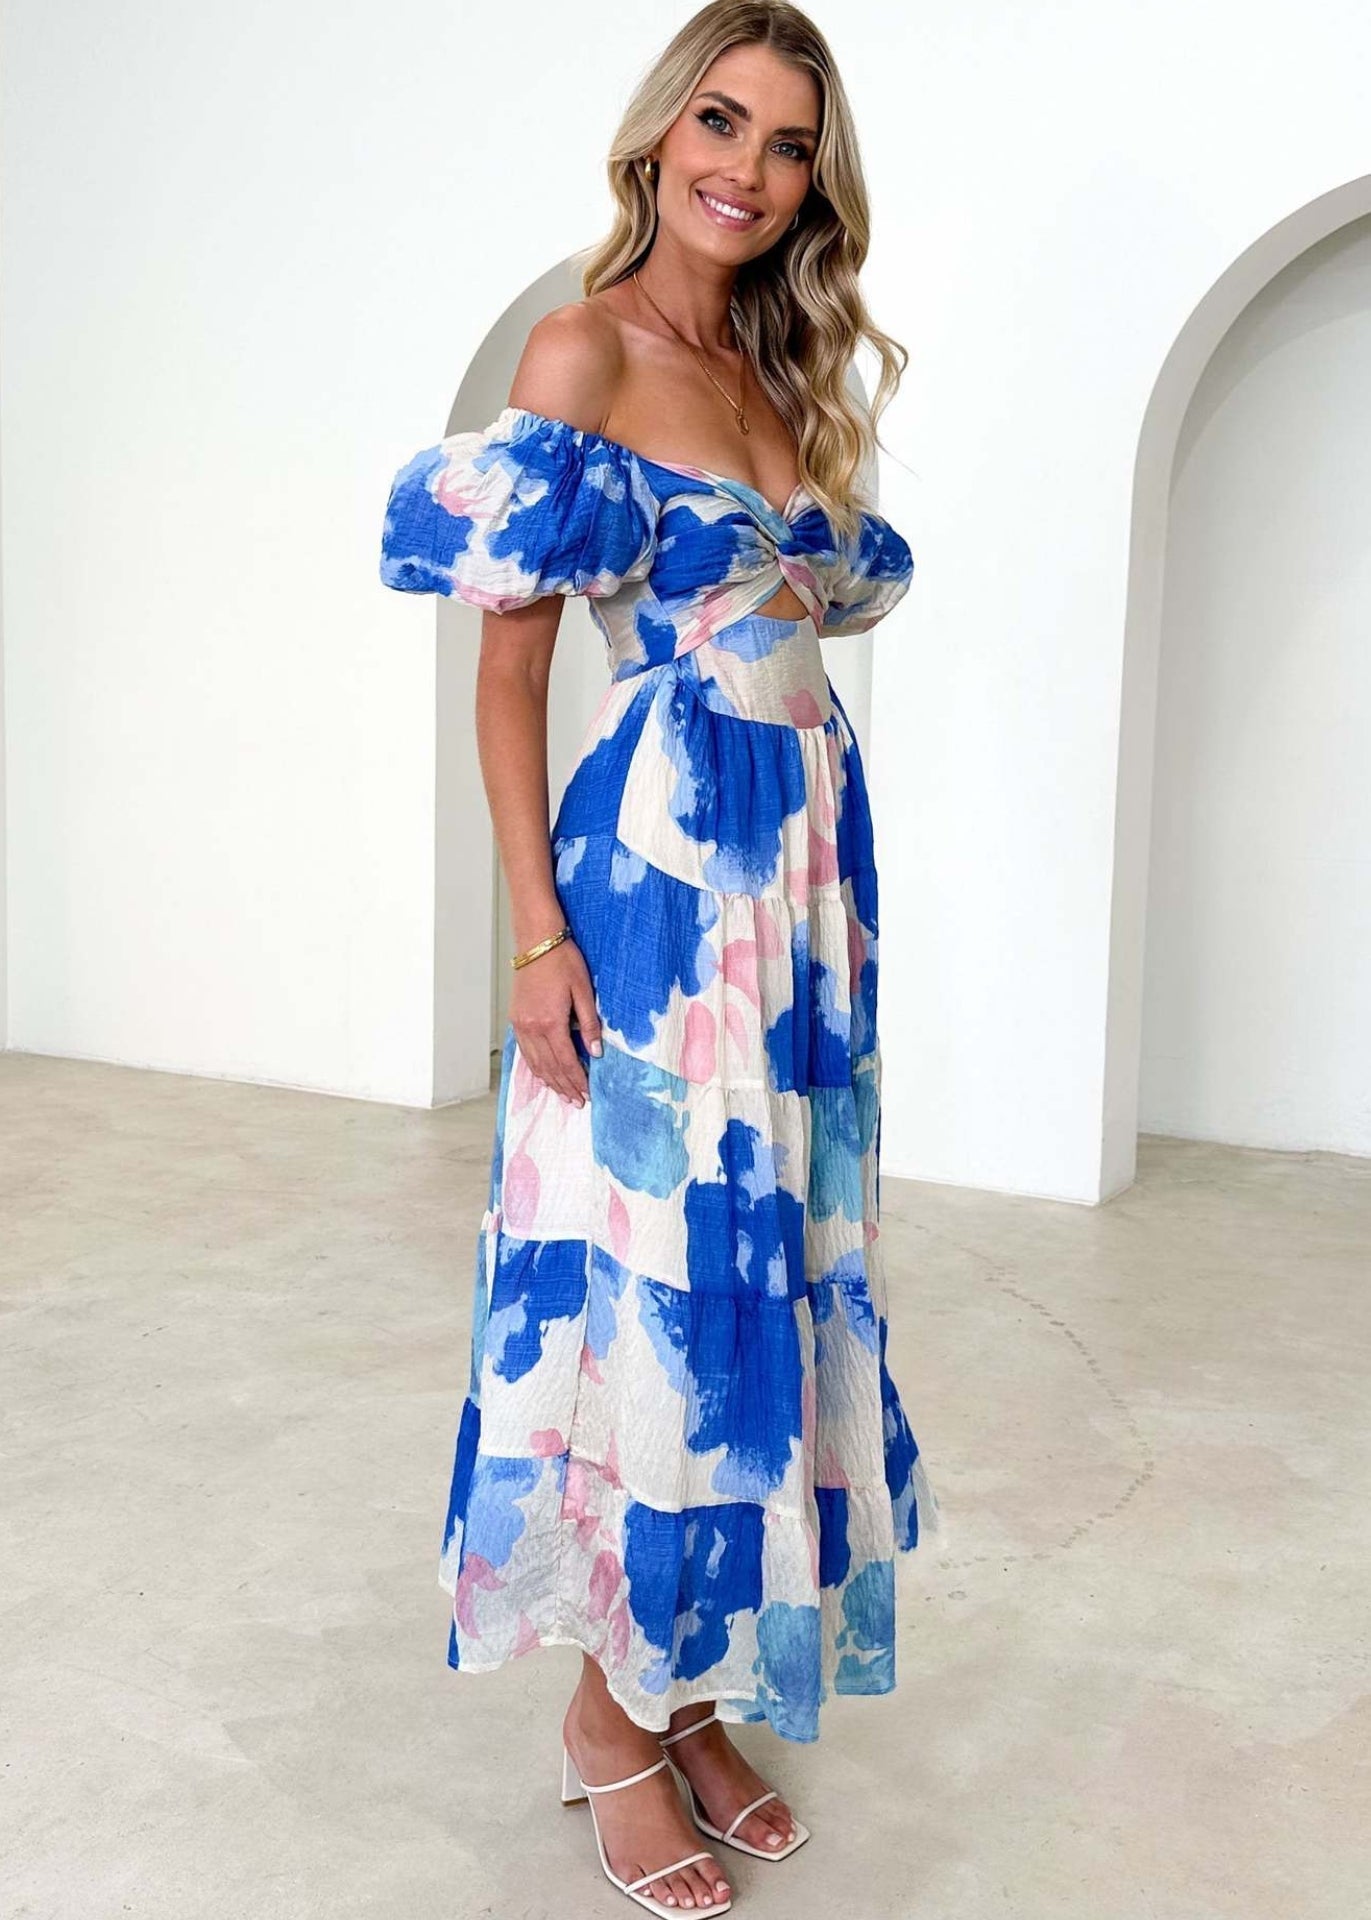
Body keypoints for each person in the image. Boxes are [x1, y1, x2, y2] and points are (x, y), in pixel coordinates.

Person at [380, 3, 941, 1912]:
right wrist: (535, 935)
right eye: (722, 120)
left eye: (788, 145)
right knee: (659, 1280)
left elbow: (812, 612)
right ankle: (607, 1720)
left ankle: (685, 1685)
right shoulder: (585, 349)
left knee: (770, 1269)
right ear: (658, 134)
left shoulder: (776, 366)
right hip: (663, 880)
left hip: (805, 890)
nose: (748, 169)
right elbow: (508, 679)